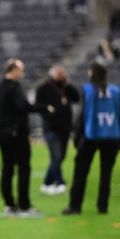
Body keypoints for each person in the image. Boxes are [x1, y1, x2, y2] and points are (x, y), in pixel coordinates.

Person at [63, 63, 120, 215]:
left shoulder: (88, 89)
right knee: (106, 173)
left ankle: (75, 206)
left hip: (91, 135)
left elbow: (82, 115)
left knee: (80, 172)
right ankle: (102, 206)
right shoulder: (116, 91)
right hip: (112, 135)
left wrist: (77, 136)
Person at [0, 59, 46, 216]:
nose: (23, 74)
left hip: (3, 133)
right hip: (16, 134)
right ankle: (24, 204)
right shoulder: (14, 88)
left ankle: (9, 204)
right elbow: (23, 107)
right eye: (21, 70)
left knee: (7, 169)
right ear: (13, 70)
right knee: (24, 168)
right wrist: (44, 108)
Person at [35, 65, 79, 195]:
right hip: (51, 128)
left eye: (63, 74)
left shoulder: (66, 88)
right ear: (52, 75)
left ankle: (49, 182)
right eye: (59, 74)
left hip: (65, 128)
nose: (61, 76)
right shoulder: (43, 89)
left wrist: (68, 84)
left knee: (61, 156)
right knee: (56, 156)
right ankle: (58, 182)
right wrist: (49, 115)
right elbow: (39, 106)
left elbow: (76, 98)